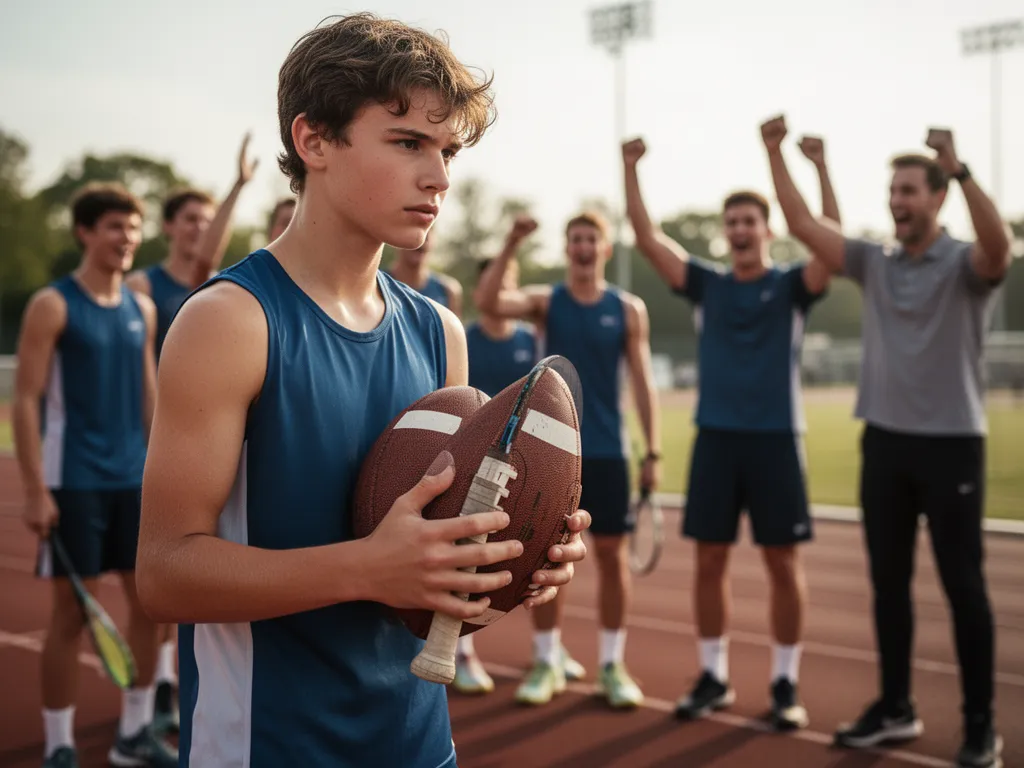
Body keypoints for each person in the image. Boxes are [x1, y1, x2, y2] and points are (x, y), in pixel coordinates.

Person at [133, 14, 590, 768]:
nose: (439, 177)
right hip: (268, 745)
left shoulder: (440, 330)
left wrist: (512, 550)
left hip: (417, 742)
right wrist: (368, 565)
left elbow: (429, 574)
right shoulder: (230, 322)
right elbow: (165, 573)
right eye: (408, 142)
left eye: (446, 151)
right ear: (314, 140)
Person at [762, 114, 1008, 768]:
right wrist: (774, 152)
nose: (896, 202)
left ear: (937, 197)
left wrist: (962, 168)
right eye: (892, 191)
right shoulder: (876, 262)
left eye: (909, 191)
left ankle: (981, 725)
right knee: (888, 585)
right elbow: (802, 227)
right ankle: (896, 706)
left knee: (964, 586)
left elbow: (999, 247)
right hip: (887, 445)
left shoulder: (964, 264)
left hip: (953, 444)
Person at [621, 133, 837, 730]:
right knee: (709, 560)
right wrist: (629, 168)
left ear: (767, 229)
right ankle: (713, 675)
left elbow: (831, 242)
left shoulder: (794, 287)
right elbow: (646, 237)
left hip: (775, 440)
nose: (741, 229)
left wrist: (816, 167)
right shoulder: (708, 286)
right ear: (726, 232)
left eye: (750, 220)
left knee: (782, 563)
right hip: (716, 438)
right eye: (732, 221)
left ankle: (785, 682)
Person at [13, 182, 176, 767]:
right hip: (73, 480)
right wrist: (35, 489)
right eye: (114, 227)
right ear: (85, 232)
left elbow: (149, 398)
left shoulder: (143, 308)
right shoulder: (53, 305)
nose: (127, 238)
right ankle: (58, 743)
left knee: (149, 604)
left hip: (132, 480)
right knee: (70, 615)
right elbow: (26, 400)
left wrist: (165, 471)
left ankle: (133, 734)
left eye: (133, 228)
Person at [475, 211, 660, 709]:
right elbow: (489, 301)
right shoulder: (545, 303)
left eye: (590, 239)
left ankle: (612, 664)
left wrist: (654, 448)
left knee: (611, 559)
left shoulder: (628, 309)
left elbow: (642, 383)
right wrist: (511, 241)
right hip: (555, 454)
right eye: (574, 238)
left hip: (610, 452)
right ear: (566, 248)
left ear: (603, 249)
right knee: (546, 558)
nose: (582, 246)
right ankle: (546, 658)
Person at [452, 256, 588, 695]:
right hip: (480, 459)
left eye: (513, 282)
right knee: (467, 551)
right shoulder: (465, 338)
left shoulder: (533, 340)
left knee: (545, 548)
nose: (507, 291)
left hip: (530, 465)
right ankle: (462, 650)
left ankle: (549, 650)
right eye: (498, 282)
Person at [125, 132, 258, 359]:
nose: (201, 228)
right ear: (168, 225)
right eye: (191, 219)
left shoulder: (218, 286)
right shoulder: (141, 286)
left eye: (208, 221)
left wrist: (238, 186)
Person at [388, 228, 464, 316]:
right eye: (412, 235)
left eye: (426, 235)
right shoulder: (376, 284)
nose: (419, 242)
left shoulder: (448, 290)